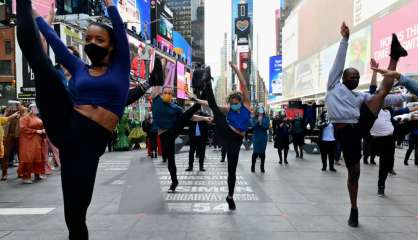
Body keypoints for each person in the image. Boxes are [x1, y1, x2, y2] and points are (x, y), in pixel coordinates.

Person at [16, 0, 130, 238]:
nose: (92, 43)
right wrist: (37, 17)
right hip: (68, 124)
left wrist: (110, 6)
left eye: (99, 40)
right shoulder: (79, 68)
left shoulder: (120, 67)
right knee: (41, 64)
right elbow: (55, 42)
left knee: (75, 213)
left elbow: (119, 30)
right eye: (88, 39)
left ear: (111, 46)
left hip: (89, 145)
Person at [325, 23, 411, 228]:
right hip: (346, 134)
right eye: (351, 77)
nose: (355, 79)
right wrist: (345, 40)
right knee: (354, 173)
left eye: (357, 77)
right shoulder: (332, 87)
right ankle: (354, 208)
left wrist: (408, 96)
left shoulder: (359, 96)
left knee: (381, 95)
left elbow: (382, 100)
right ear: (343, 78)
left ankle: (394, 57)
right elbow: (338, 64)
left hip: (360, 124)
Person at [151, 58, 211, 192]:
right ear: (161, 93)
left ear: (172, 95)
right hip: (164, 134)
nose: (167, 94)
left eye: (169, 93)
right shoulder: (156, 99)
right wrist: (161, 64)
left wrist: (205, 119)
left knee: (188, 112)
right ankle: (174, 182)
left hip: (173, 129)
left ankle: (205, 91)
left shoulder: (174, 106)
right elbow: (157, 84)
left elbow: (190, 116)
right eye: (165, 92)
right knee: (170, 160)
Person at [198, 62, 252, 210]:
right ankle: (207, 82)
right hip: (226, 131)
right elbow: (211, 105)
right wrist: (197, 100)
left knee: (232, 171)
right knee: (215, 109)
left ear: (240, 101)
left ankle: (230, 196)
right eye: (232, 103)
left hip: (236, 141)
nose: (234, 105)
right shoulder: (229, 109)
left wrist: (236, 69)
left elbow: (244, 84)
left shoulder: (247, 105)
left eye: (236, 103)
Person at [18, 104, 46, 184]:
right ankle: (26, 176)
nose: (37, 109)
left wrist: (42, 130)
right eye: (35, 107)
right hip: (28, 140)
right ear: (31, 108)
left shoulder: (37, 117)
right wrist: (36, 131)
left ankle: (37, 173)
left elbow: (40, 127)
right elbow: (23, 128)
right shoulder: (25, 118)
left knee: (38, 156)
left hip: (38, 140)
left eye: (37, 107)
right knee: (29, 157)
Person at [0, 111, 20, 181]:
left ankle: (21, 172)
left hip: (19, 136)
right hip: (8, 136)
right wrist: (7, 112)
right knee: (5, 155)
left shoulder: (22, 111)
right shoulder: (7, 112)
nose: (13, 106)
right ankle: (4, 173)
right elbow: (4, 120)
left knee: (21, 155)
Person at [250, 105, 270, 173]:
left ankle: (262, 167)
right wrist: (257, 122)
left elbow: (267, 126)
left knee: (262, 152)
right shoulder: (254, 117)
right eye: (259, 109)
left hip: (263, 137)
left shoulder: (266, 118)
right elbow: (252, 125)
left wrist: (261, 123)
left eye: (262, 109)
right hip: (256, 136)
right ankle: (253, 166)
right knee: (255, 152)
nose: (261, 111)